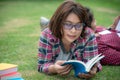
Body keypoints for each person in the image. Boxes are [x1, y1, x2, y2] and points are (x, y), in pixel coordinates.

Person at [38, 0, 102, 79]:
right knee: (48, 29)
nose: (73, 31)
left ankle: (48, 22)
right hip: (53, 31)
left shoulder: (88, 34)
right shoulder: (47, 35)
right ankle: (47, 23)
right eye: (68, 24)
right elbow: (42, 65)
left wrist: (94, 69)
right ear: (59, 23)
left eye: (78, 25)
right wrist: (53, 68)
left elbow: (93, 63)